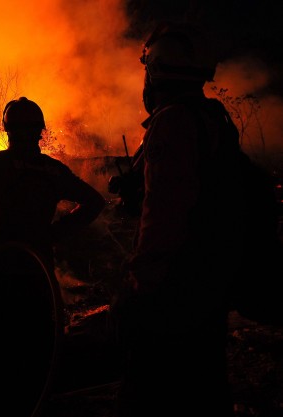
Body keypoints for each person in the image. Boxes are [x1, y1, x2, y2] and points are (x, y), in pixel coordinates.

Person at [111, 22, 240, 417]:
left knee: (150, 391)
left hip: (174, 285)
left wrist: (140, 284)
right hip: (210, 275)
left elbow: (164, 214)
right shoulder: (213, 117)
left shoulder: (172, 122)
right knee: (203, 384)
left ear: (156, 71)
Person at [0, 97, 106, 417]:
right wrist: (54, 234)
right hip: (35, 269)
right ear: (40, 130)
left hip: (3, 266)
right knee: (37, 334)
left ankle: (3, 404)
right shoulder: (52, 171)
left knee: (0, 336)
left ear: (8, 130)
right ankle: (35, 400)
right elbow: (94, 202)